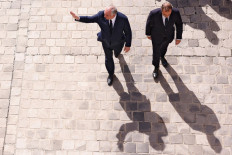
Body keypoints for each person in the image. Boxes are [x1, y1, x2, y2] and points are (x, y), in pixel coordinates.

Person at [70, 5, 132, 86]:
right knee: (108, 58)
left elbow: (128, 32)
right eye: (104, 14)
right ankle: (110, 74)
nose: (104, 16)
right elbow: (90, 19)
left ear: (113, 15)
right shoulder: (101, 15)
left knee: (117, 54)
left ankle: (117, 54)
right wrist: (78, 18)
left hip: (118, 42)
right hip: (106, 42)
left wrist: (128, 45)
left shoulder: (123, 19)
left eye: (107, 15)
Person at [145, 2, 183, 78]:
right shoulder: (154, 13)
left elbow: (179, 24)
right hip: (156, 36)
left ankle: (162, 57)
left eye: (169, 14)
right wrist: (148, 34)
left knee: (164, 48)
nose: (167, 16)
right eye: (165, 15)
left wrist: (178, 37)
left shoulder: (176, 12)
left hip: (169, 36)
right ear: (161, 10)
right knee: (156, 52)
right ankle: (156, 67)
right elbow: (148, 23)